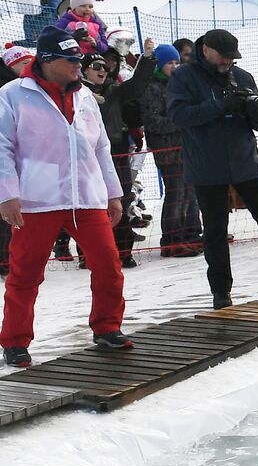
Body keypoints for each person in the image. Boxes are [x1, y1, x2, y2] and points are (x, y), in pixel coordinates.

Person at [0, 27, 132, 367]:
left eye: (79, 58)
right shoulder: (13, 94)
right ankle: (15, 341)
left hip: (86, 197)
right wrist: (7, 194)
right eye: (71, 59)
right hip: (37, 199)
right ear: (47, 61)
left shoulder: (85, 95)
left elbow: (101, 147)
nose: (79, 64)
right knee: (25, 273)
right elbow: (2, 147)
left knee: (108, 263)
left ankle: (106, 327)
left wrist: (114, 194)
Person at [166, 29, 258, 307]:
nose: (228, 62)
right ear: (206, 50)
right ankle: (221, 291)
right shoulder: (184, 77)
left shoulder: (242, 76)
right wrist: (221, 105)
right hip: (207, 166)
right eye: (224, 57)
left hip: (244, 162)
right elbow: (179, 116)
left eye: (232, 58)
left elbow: (257, 123)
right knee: (215, 232)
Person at [82, 41, 155, 267]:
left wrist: (147, 59)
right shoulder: (75, 93)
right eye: (96, 67)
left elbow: (137, 86)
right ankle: (90, 254)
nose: (102, 70)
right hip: (86, 158)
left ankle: (124, 252)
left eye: (105, 67)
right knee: (91, 208)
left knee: (120, 203)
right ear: (83, 70)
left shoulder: (114, 90)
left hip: (116, 153)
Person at [141, 43, 203, 257]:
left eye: (176, 62)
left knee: (188, 192)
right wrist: (181, 121)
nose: (175, 66)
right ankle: (171, 239)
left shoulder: (178, 84)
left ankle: (188, 234)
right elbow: (152, 120)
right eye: (169, 63)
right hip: (167, 148)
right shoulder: (152, 87)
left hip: (185, 146)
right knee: (176, 192)